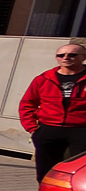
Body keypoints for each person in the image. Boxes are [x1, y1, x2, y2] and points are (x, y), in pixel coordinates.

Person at [18, 43, 86, 181]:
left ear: (83, 57)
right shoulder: (43, 79)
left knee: (76, 172)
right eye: (61, 55)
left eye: (72, 54)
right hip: (49, 130)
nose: (66, 58)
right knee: (45, 171)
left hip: (81, 130)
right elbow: (27, 104)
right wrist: (32, 128)